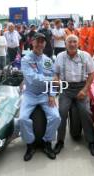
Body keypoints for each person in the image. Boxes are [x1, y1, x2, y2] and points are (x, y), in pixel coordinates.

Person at [53, 34, 94, 156]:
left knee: (86, 112)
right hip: (66, 89)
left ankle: (91, 141)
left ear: (78, 43)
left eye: (74, 42)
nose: (72, 44)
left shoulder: (85, 55)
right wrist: (56, 80)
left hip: (81, 88)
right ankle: (60, 141)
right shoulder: (60, 56)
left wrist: (85, 90)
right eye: (69, 42)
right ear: (65, 44)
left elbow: (92, 74)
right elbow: (55, 73)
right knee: (61, 112)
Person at [19, 33, 61, 161]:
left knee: (56, 117)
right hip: (30, 94)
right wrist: (51, 80)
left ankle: (46, 142)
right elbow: (32, 79)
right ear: (32, 42)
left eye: (42, 42)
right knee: (22, 119)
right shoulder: (26, 59)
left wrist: (52, 94)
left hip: (44, 94)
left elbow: (53, 80)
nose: (40, 44)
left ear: (45, 44)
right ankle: (30, 144)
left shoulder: (48, 61)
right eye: (37, 41)